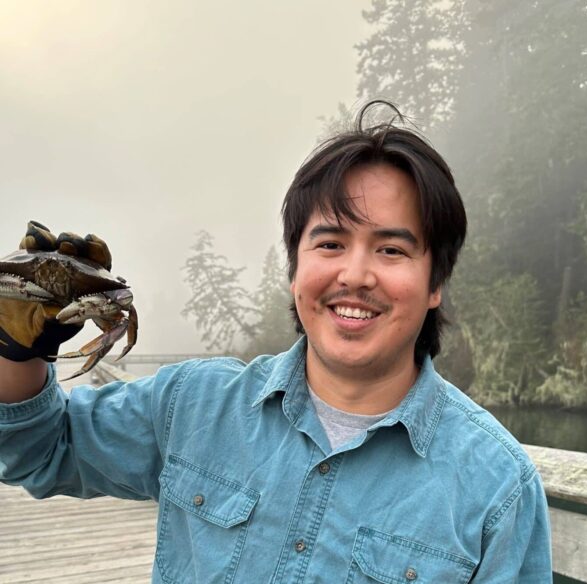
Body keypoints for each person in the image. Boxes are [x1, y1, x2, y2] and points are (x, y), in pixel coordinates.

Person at [0, 101, 552, 583]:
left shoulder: (496, 487)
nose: (356, 274)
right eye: (330, 243)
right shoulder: (193, 406)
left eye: (391, 250)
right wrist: (17, 347)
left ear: (436, 283)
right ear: (295, 268)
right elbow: (42, 449)